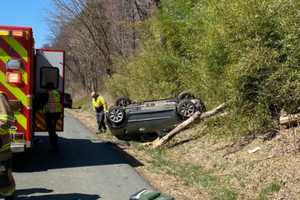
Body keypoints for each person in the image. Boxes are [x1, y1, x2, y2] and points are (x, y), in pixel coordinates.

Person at [0, 94, 15, 200]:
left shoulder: (0, 97)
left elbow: (7, 119)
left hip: (1, 150)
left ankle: (8, 195)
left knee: (3, 178)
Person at [44, 83, 62, 150]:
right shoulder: (57, 92)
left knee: (51, 130)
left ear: (48, 88)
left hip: (50, 114)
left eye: (46, 88)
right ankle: (54, 142)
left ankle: (53, 145)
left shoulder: (48, 94)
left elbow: (43, 102)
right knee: (52, 129)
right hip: (57, 113)